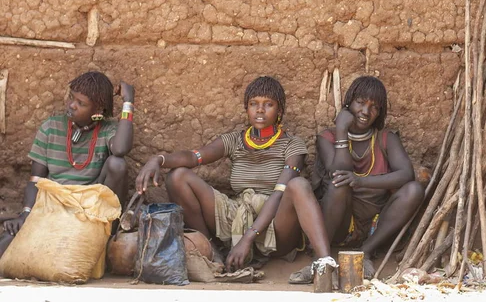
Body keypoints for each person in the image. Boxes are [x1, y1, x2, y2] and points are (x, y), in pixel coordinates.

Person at [135, 76, 334, 278]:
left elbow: (278, 194)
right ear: (246, 108)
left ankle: (325, 263)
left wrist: (247, 239)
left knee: (298, 185)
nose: (260, 110)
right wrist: (158, 160)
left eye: (268, 104)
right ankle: (213, 252)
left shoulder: (293, 145)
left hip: (276, 223)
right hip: (237, 214)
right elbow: (193, 157)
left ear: (280, 110)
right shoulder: (234, 140)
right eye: (253, 104)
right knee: (177, 177)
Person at [0, 71, 135, 259]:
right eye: (72, 98)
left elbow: (120, 149)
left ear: (98, 110)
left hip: (90, 210)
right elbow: (36, 179)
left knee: (117, 164)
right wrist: (26, 213)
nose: (72, 105)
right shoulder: (51, 127)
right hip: (54, 206)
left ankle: (106, 238)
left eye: (81, 103)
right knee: (12, 236)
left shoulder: (108, 129)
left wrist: (128, 102)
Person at [311, 76, 424, 279]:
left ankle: (365, 251)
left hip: (373, 225)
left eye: (374, 107)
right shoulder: (326, 138)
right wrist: (342, 130)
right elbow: (337, 171)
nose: (365, 111)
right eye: (360, 103)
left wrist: (361, 180)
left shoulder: (386, 138)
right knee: (339, 184)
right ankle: (324, 257)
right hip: (339, 224)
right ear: (348, 103)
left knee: (414, 190)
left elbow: (406, 174)